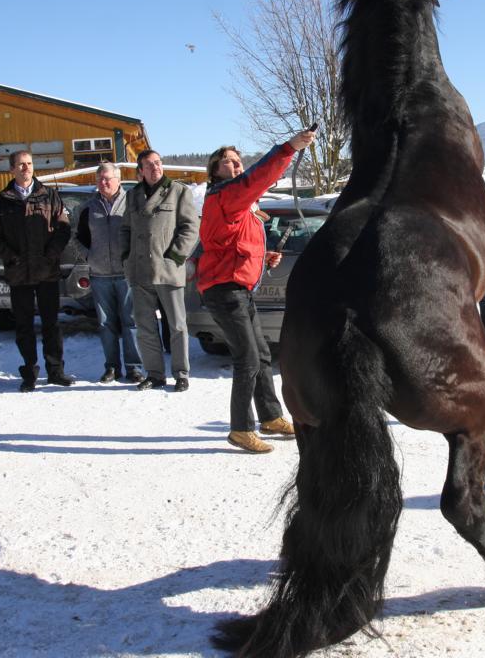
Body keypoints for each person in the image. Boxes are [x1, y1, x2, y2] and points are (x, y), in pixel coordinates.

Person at [197, 131, 313, 452]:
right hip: (224, 290)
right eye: (228, 162)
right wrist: (289, 148)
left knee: (261, 354)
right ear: (215, 170)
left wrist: (265, 258)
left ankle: (271, 417)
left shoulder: (240, 205)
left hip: (239, 288)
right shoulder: (224, 196)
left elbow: (236, 245)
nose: (235, 166)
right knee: (247, 357)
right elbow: (256, 179)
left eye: (238, 162)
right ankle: (240, 429)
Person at [0, 150, 75, 392]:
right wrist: (10, 257)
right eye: (21, 165)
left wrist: (51, 254)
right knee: (24, 326)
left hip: (47, 272)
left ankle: (56, 371)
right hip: (18, 274)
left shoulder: (49, 196)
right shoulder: (1, 200)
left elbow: (64, 229)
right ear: (12, 169)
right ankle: (29, 373)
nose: (26, 168)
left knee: (51, 325)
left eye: (29, 164)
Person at [120, 151, 199, 391]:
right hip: (139, 271)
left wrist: (176, 256)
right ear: (140, 171)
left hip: (168, 269)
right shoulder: (133, 195)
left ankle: (181, 373)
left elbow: (191, 227)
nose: (155, 167)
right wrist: (126, 257)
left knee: (176, 325)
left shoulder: (179, 191)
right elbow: (125, 230)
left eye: (158, 163)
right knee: (144, 327)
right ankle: (154, 374)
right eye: (149, 165)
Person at [77, 162, 144, 384]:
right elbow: (77, 237)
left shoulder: (132, 203)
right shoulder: (88, 208)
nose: (103, 183)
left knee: (131, 322)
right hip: (99, 275)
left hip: (126, 274)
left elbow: (142, 234)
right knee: (106, 325)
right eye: (99, 179)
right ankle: (111, 367)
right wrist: (88, 256)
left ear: (118, 180)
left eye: (107, 178)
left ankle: (134, 367)